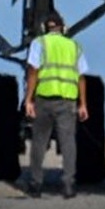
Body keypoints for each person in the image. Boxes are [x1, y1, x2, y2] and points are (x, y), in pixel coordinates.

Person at [20, 11, 89, 198]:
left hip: (44, 100)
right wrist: (83, 104)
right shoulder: (73, 46)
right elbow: (81, 77)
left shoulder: (40, 43)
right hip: (67, 101)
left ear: (44, 29)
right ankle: (68, 184)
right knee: (68, 143)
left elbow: (33, 71)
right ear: (63, 28)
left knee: (39, 144)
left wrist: (28, 99)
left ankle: (36, 183)